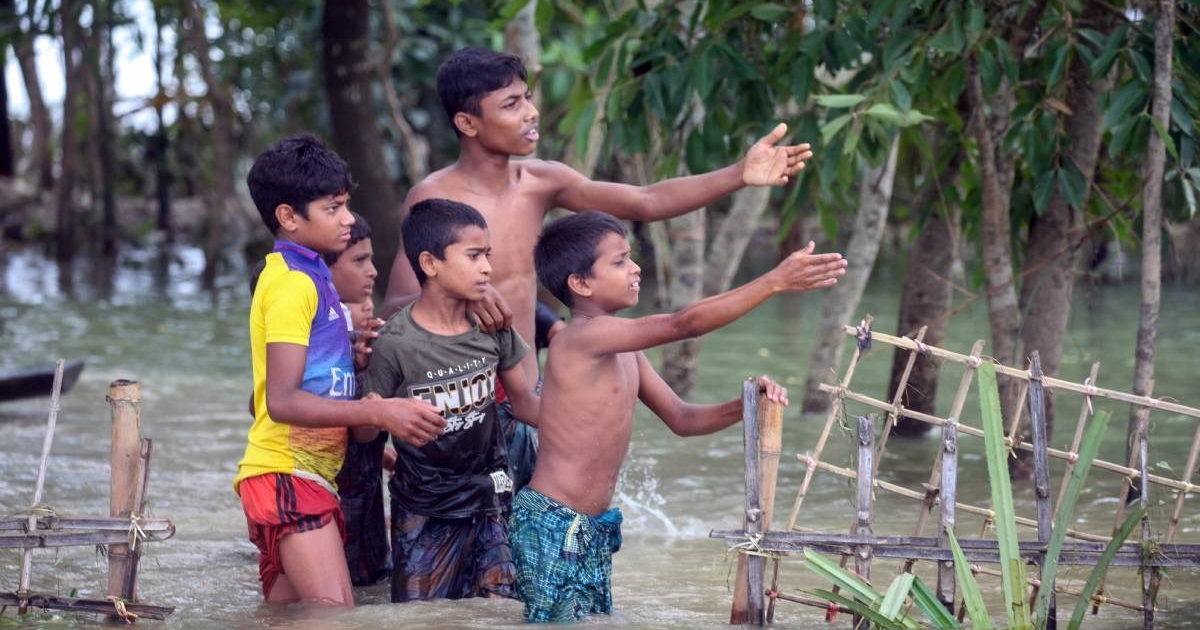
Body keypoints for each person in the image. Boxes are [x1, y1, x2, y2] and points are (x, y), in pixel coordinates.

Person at [383, 46, 815, 492]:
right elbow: (396, 307)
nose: (531, 113)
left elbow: (646, 200)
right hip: (462, 400)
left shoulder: (542, 181)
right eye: (512, 105)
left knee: (534, 528)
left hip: (530, 401)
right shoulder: (433, 197)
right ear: (467, 123)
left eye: (527, 98)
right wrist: (465, 297)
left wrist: (738, 174)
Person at [511, 212, 847, 622]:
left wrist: (746, 404)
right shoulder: (581, 338)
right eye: (619, 262)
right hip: (553, 523)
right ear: (580, 284)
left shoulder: (625, 348)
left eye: (630, 258)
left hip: (591, 526)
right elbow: (683, 324)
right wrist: (773, 281)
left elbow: (682, 419)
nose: (636, 268)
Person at [234, 134, 447, 606]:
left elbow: (312, 375)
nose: (348, 219)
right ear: (288, 216)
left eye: (346, 205)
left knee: (289, 615)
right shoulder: (292, 284)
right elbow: (281, 400)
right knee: (337, 615)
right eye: (332, 208)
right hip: (288, 474)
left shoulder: (314, 276)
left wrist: (353, 359)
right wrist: (378, 413)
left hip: (303, 476)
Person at [362, 198, 540, 602]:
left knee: (498, 610)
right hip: (424, 509)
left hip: (490, 500)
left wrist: (587, 419)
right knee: (421, 617)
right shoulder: (395, 343)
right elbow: (363, 435)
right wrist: (378, 411)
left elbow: (526, 405)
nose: (487, 269)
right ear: (429, 263)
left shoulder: (492, 327)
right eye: (474, 256)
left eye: (488, 256)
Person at [323, 212, 394, 588]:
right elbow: (264, 403)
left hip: (365, 510)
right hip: (336, 511)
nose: (373, 272)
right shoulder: (319, 337)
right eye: (359, 260)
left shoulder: (361, 332)